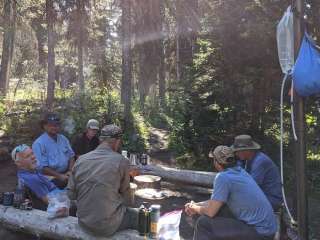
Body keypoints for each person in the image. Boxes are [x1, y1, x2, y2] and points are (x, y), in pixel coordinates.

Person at [185, 145, 277, 240]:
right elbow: (216, 203)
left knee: (203, 223)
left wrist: (195, 208)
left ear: (216, 162)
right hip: (268, 230)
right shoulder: (240, 171)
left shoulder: (223, 177)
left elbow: (211, 211)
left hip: (259, 234)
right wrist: (196, 204)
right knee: (221, 210)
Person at [67, 124, 138, 237]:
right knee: (141, 217)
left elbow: (71, 194)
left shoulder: (80, 160)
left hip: (84, 223)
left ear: (100, 139)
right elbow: (127, 197)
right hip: (107, 227)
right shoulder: (121, 161)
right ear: (117, 141)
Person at [231, 134, 283, 210]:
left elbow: (251, 186)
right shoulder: (246, 161)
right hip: (261, 196)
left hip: (271, 200)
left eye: (238, 151)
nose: (236, 153)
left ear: (248, 150)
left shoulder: (260, 161)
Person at [32, 113, 75, 189]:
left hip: (66, 173)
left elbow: (71, 156)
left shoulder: (63, 139)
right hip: (49, 177)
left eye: (56, 125)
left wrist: (70, 171)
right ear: (44, 126)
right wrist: (59, 176)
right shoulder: (39, 143)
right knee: (65, 186)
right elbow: (42, 168)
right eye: (51, 125)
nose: (54, 127)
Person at [12, 144, 58, 209]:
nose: (33, 157)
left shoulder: (29, 172)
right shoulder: (32, 179)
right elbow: (51, 202)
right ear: (18, 163)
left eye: (32, 153)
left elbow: (44, 178)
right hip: (52, 207)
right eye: (28, 156)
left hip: (56, 193)